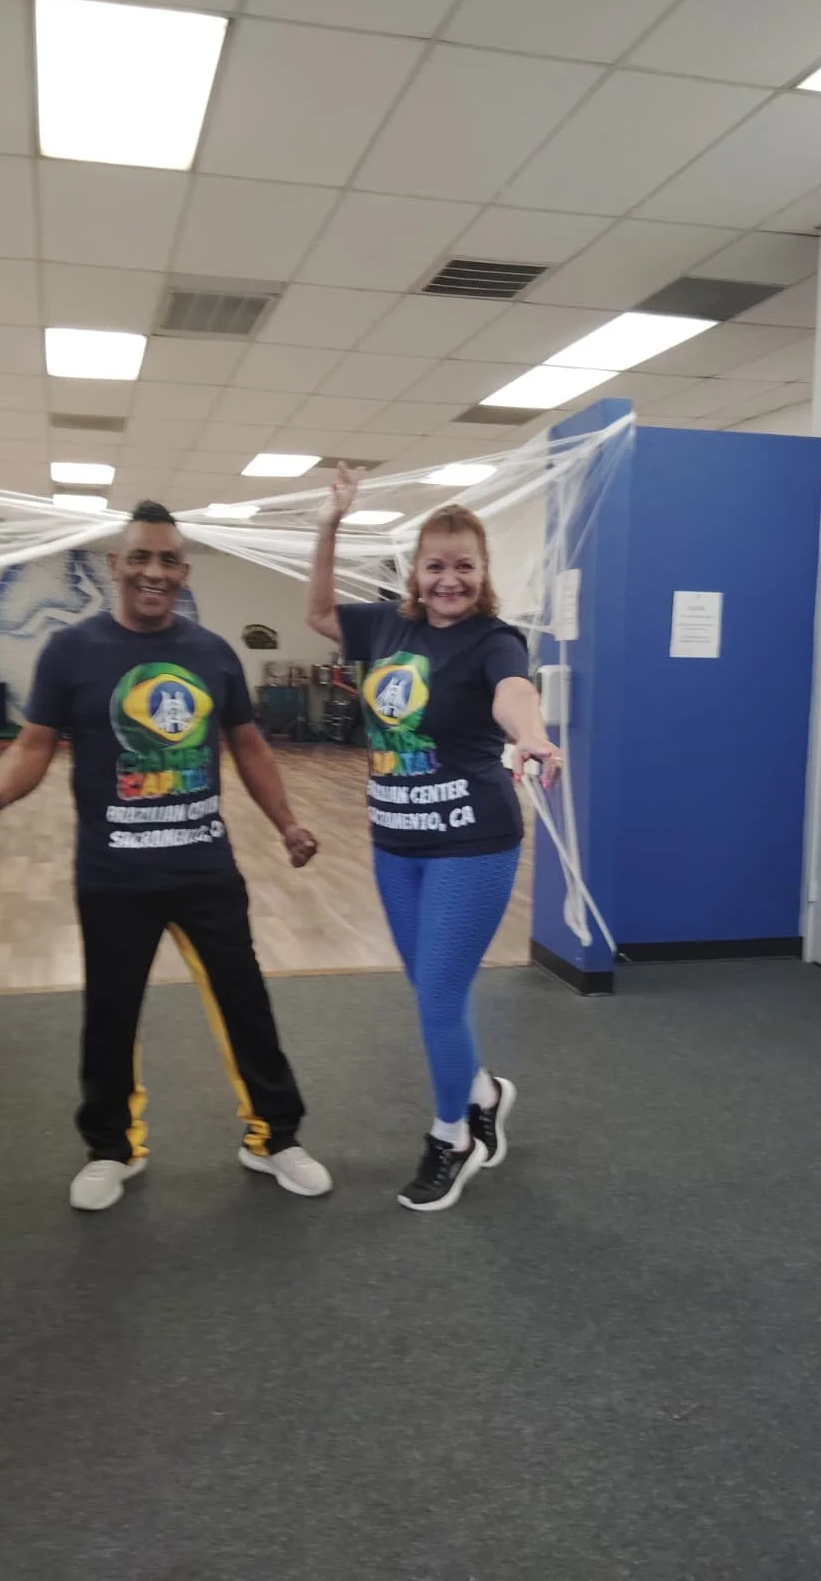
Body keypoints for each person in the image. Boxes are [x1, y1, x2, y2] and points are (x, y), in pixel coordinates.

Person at [0, 501, 332, 1212]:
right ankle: (112, 1149)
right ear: (115, 566)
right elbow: (34, 745)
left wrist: (287, 822)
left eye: (167, 560)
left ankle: (273, 1138)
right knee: (111, 1016)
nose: (153, 571)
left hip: (204, 867)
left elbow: (248, 746)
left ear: (183, 572)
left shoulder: (213, 653)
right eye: (141, 558)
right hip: (114, 872)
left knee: (245, 1004)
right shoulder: (71, 651)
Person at [307, 468, 562, 1213]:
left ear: (483, 575)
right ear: (415, 572)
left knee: (438, 1000)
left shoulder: (494, 641)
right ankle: (484, 1093)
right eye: (436, 564)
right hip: (396, 844)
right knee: (430, 990)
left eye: (464, 565)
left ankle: (455, 1137)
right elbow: (319, 610)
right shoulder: (388, 627)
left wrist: (537, 736)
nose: (449, 578)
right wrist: (329, 524)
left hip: (472, 843)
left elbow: (516, 694)